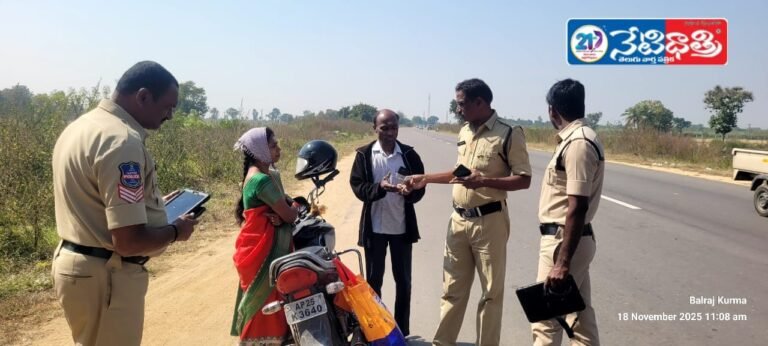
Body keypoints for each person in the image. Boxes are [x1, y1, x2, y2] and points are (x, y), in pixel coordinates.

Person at [51, 61, 199, 345]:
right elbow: (128, 241)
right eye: (168, 106)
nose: (170, 115)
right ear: (143, 96)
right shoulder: (122, 141)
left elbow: (98, 200)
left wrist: (152, 206)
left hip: (78, 266)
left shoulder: (81, 127)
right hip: (107, 275)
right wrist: (176, 231)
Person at [405, 78, 531, 346]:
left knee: (490, 294)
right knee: (452, 290)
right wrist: (425, 178)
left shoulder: (509, 133)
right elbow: (458, 173)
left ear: (480, 102)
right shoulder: (464, 131)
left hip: (490, 222)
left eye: (461, 104)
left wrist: (484, 181)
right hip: (458, 221)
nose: (457, 109)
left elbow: (524, 179)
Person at [532, 79, 603, 346]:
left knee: (546, 321)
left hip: (564, 242)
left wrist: (562, 263)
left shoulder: (578, 144)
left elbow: (577, 205)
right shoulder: (579, 139)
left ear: (553, 110)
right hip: (570, 240)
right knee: (580, 318)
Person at [349, 109, 426, 337]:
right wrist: (379, 189)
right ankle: (376, 332)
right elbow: (357, 187)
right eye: (384, 128)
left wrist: (410, 192)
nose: (390, 132)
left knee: (403, 283)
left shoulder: (409, 155)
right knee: (374, 283)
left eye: (394, 127)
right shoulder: (364, 155)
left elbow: (421, 187)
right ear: (375, 128)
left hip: (402, 229)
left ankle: (401, 332)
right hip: (375, 229)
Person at [230, 127, 298, 345]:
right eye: (273, 145)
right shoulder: (262, 180)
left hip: (253, 247)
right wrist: (294, 208)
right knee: (270, 299)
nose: (278, 148)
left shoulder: (258, 176)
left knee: (260, 302)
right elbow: (288, 214)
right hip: (265, 250)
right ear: (260, 150)